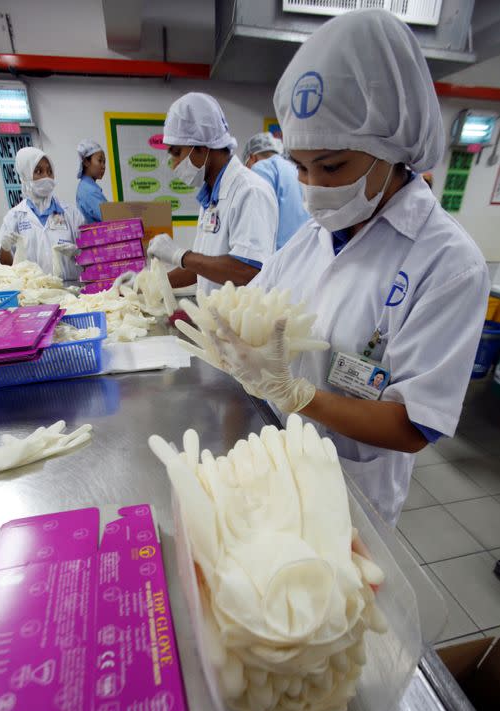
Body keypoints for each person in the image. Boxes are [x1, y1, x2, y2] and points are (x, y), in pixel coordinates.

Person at [190, 10, 489, 526]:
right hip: (278, 468)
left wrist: (297, 394)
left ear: (392, 149)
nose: (313, 188)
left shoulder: (447, 263)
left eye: (330, 167)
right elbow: (250, 306)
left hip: (355, 497)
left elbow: (416, 425)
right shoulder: (312, 236)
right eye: (301, 167)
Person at [147, 93, 278, 295]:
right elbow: (204, 268)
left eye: (177, 153)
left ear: (202, 147)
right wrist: (149, 283)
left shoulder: (250, 191)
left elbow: (248, 270)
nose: (174, 164)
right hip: (214, 319)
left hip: (241, 323)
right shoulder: (210, 199)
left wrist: (180, 255)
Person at [0, 147, 82, 279]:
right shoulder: (15, 216)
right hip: (32, 293)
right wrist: (5, 248)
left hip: (69, 291)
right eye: (39, 171)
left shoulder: (71, 213)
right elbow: (6, 265)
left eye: (49, 171)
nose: (46, 177)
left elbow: (92, 254)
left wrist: (78, 252)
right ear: (25, 175)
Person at [243, 132, 309, 249]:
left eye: (246, 165)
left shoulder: (261, 168)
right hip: (304, 251)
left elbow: (256, 222)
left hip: (276, 256)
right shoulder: (296, 169)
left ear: (252, 158)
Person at [76, 139, 108, 223]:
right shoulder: (89, 190)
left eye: (104, 162)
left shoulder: (85, 187)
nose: (103, 166)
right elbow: (110, 218)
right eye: (100, 161)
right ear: (86, 162)